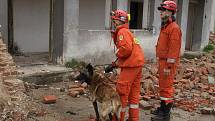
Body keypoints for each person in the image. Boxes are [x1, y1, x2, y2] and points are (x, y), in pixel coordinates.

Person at [107, 9, 145, 121]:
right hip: (137, 65)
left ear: (118, 21)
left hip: (131, 66)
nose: (113, 23)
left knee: (121, 92)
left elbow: (126, 49)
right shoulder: (128, 32)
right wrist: (115, 63)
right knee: (133, 94)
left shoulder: (122, 32)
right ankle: (134, 118)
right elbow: (129, 50)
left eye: (114, 20)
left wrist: (116, 53)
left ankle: (118, 119)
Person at [151, 1, 182, 121]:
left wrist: (168, 66)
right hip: (163, 61)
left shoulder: (174, 28)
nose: (161, 12)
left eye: (163, 10)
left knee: (167, 87)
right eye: (161, 10)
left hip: (168, 63)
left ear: (170, 12)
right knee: (163, 86)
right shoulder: (166, 26)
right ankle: (163, 108)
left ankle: (166, 114)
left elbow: (174, 50)